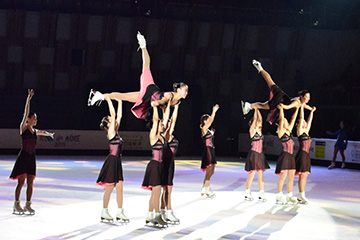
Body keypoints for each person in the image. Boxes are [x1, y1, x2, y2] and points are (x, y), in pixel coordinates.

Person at [88, 32, 188, 120]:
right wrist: (157, 107)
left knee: (124, 96)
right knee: (146, 67)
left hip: (147, 98)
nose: (186, 92)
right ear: (178, 90)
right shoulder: (171, 96)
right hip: (150, 90)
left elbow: (163, 107)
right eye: (185, 89)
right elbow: (159, 103)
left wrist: (164, 119)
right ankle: (143, 45)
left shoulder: (176, 102)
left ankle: (100, 96)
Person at [9, 89, 55, 215]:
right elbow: (26, 113)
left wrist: (49, 134)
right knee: (21, 181)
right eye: (34, 118)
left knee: (30, 182)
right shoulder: (23, 128)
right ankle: (16, 204)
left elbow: (42, 132)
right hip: (23, 156)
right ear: (28, 120)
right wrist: (28, 100)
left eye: (36, 119)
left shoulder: (34, 131)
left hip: (31, 158)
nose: (35, 120)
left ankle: (28, 204)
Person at [242, 60, 312, 124]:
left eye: (308, 97)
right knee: (266, 105)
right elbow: (289, 106)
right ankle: (249, 106)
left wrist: (311, 109)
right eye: (306, 97)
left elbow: (305, 105)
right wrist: (283, 107)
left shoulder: (301, 101)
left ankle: (248, 105)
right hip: (279, 100)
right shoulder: (297, 102)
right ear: (301, 97)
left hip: (281, 95)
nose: (307, 99)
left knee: (270, 84)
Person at [96, 95, 129, 222]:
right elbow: (114, 115)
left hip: (117, 162)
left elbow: (119, 116)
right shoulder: (111, 132)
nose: (113, 119)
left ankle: (120, 212)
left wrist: (120, 101)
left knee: (120, 188)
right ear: (107, 124)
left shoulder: (115, 131)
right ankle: (104, 211)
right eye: (110, 119)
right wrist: (108, 99)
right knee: (109, 188)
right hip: (111, 162)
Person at [142, 102, 168, 227]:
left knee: (155, 193)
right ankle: (157, 215)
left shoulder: (162, 137)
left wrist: (166, 108)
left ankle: (149, 214)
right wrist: (155, 107)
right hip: (154, 165)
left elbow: (166, 119)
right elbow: (156, 119)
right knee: (156, 191)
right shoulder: (153, 135)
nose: (163, 125)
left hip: (159, 166)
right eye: (161, 124)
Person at [275, 104, 299, 205]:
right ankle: (279, 196)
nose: (286, 120)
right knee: (283, 177)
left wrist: (297, 108)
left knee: (291, 178)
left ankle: (289, 195)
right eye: (285, 120)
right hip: (285, 156)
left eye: (286, 120)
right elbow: (281, 120)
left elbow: (293, 118)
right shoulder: (281, 132)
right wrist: (281, 110)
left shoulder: (289, 131)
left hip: (291, 157)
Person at [244, 107, 270, 202]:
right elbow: (255, 119)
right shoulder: (252, 130)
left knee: (260, 174)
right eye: (257, 122)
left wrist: (258, 109)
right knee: (252, 173)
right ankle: (247, 191)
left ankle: (261, 193)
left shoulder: (260, 131)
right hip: (254, 154)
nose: (259, 122)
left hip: (260, 155)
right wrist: (254, 110)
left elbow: (260, 119)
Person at [160, 103, 180, 224]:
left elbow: (173, 120)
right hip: (166, 165)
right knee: (168, 190)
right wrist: (168, 109)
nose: (168, 123)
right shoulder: (166, 136)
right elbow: (171, 120)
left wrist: (176, 107)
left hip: (171, 164)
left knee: (166, 190)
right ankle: (169, 211)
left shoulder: (170, 134)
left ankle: (163, 210)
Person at [295, 104, 316, 204]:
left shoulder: (306, 132)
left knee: (304, 176)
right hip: (302, 154)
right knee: (302, 175)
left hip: (306, 155)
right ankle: (301, 194)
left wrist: (312, 112)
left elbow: (309, 121)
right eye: (303, 122)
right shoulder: (300, 131)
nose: (305, 122)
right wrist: (302, 107)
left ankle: (300, 195)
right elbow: (301, 117)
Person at [199, 104, 220, 197]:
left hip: (211, 149)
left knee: (212, 170)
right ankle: (206, 187)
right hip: (207, 150)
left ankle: (206, 186)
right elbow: (211, 121)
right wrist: (214, 111)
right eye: (207, 119)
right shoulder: (203, 129)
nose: (209, 120)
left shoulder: (208, 130)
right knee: (210, 168)